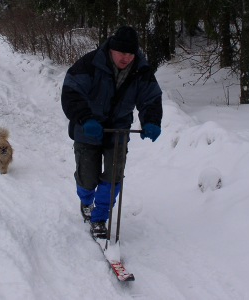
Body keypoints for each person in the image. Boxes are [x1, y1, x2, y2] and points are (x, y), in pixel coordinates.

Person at [61, 25, 163, 239]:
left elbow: (150, 98)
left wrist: (151, 120)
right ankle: (86, 202)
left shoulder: (141, 70)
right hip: (87, 127)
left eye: (130, 53)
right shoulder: (90, 64)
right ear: (111, 49)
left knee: (113, 176)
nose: (126, 58)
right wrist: (85, 117)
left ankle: (99, 218)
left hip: (117, 130)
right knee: (87, 178)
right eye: (122, 53)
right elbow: (71, 91)